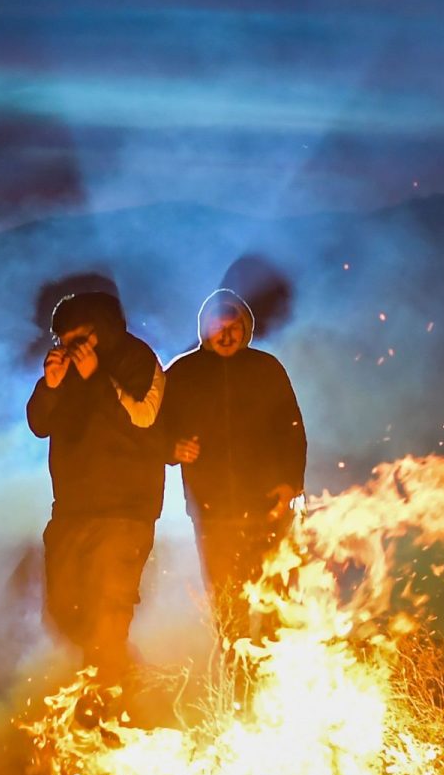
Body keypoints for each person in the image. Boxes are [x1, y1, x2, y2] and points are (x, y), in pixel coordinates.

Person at [26, 282, 166, 698]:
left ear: (103, 330)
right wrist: (50, 385)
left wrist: (97, 379)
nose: (73, 349)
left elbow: (140, 420)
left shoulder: (137, 359)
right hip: (71, 509)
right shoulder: (67, 370)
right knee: (63, 610)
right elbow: (39, 424)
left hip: (126, 511)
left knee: (109, 610)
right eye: (64, 342)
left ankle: (108, 708)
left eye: (81, 339)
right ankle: (118, 674)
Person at [159, 282, 307, 637]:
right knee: (228, 603)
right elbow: (154, 426)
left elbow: (292, 430)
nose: (226, 334)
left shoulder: (266, 368)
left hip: (269, 507)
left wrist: (291, 483)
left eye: (234, 326)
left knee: (276, 598)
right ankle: (237, 679)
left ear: (246, 329)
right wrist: (171, 448)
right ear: (205, 330)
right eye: (218, 327)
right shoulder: (181, 374)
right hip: (212, 513)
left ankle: (277, 674)